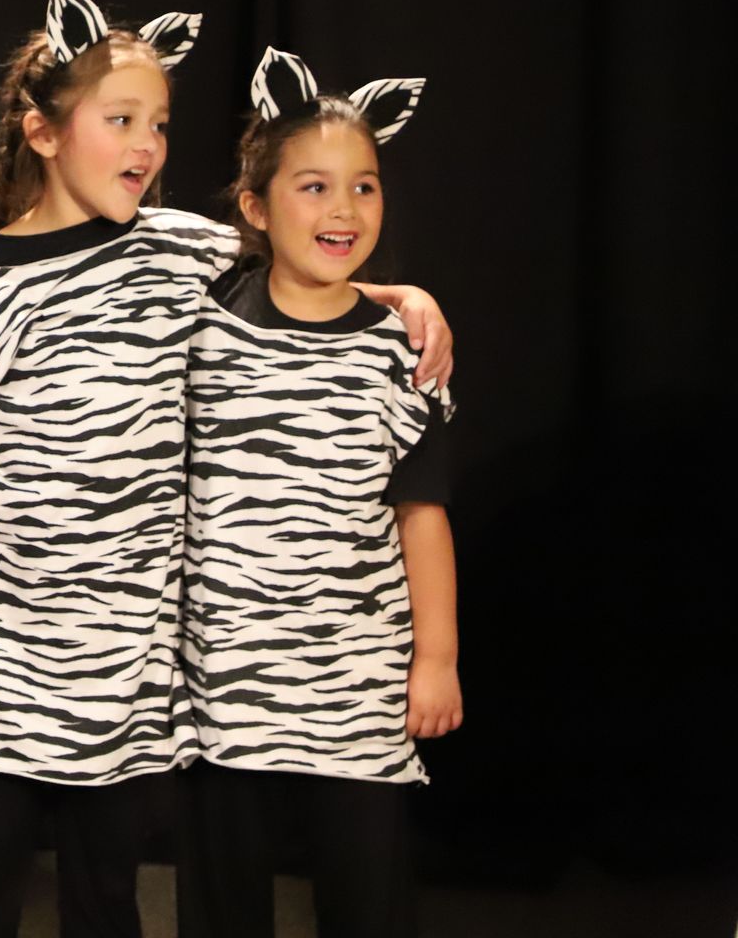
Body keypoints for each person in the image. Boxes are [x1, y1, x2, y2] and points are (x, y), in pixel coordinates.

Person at [0, 0, 452, 938]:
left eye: (159, 124)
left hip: (130, 645)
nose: (147, 145)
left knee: (107, 882)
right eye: (121, 121)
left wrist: (403, 293)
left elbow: (307, 250)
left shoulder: (177, 245)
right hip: (4, 636)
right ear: (45, 132)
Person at [177, 49, 460, 938]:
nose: (343, 210)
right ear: (256, 208)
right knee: (223, 898)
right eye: (314, 187)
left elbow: (422, 513)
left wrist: (437, 659)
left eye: (365, 187)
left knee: (367, 897)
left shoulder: (399, 352)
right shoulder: (204, 336)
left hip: (357, 684)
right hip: (225, 678)